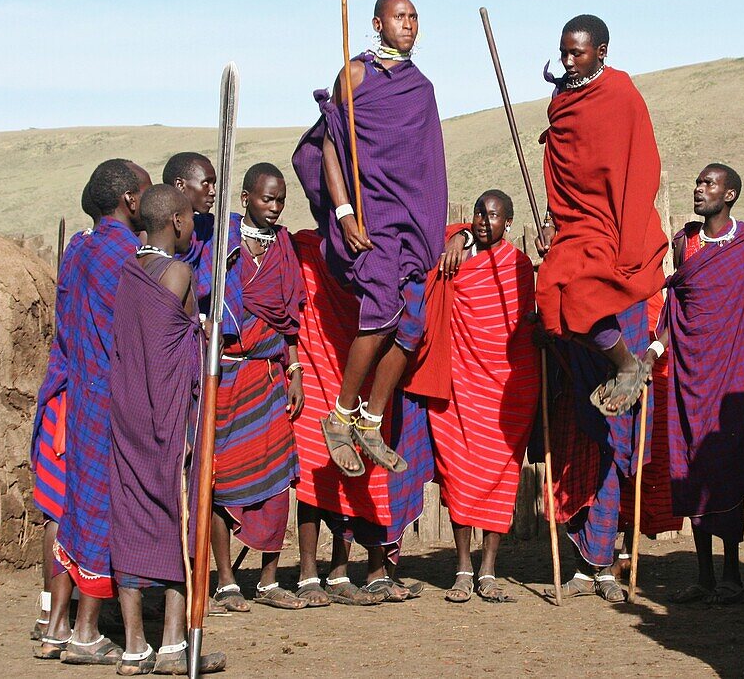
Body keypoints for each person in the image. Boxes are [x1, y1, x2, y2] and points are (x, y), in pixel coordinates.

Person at [535, 14, 667, 602]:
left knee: (583, 299)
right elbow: (567, 176)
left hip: (615, 235)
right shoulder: (564, 102)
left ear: (601, 52)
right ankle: (587, 547)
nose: (569, 61)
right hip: (576, 231)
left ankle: (608, 558)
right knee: (552, 293)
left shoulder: (620, 96)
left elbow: (638, 170)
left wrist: (628, 244)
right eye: (563, 52)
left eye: (578, 53)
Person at [292, 0, 447, 478]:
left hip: (408, 222)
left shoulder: (420, 88)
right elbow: (330, 148)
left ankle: (371, 423)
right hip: (366, 221)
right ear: (377, 23)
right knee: (380, 314)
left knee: (411, 326)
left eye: (414, 17)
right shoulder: (354, 75)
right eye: (400, 17)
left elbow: (425, 165)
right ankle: (338, 418)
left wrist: (431, 226)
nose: (409, 25)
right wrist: (343, 215)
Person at [642, 163, 744, 606]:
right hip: (691, 374)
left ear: (730, 195)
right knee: (692, 465)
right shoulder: (685, 244)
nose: (699, 189)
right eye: (698, 183)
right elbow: (676, 308)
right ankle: (704, 574)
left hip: (732, 377)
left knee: (727, 466)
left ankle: (731, 573)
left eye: (709, 184)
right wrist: (653, 352)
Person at [108, 185, 226, 675]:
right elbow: (184, 342)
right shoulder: (178, 272)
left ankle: (135, 647)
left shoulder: (130, 270)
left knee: (131, 518)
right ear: (178, 221)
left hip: (129, 411)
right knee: (183, 515)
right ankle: (175, 645)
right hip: (170, 415)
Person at [42, 159, 151, 665]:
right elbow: (133, 332)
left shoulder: (80, 248)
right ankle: (86, 632)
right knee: (102, 508)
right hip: (109, 395)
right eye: (146, 192)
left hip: (74, 392)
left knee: (72, 507)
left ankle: (56, 626)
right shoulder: (125, 254)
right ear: (130, 199)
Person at [291, 227, 431, 605]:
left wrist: (463, 235)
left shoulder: (376, 248)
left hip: (359, 367)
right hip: (322, 360)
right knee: (316, 468)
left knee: (358, 476)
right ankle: (308, 573)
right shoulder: (304, 246)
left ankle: (341, 572)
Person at [423, 191, 539, 603]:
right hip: (460, 384)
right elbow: (432, 249)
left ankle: (488, 568)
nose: (483, 220)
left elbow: (526, 326)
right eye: (478, 212)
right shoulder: (458, 256)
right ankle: (461, 567)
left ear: (508, 222)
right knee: (458, 473)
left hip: (507, 387)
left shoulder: (520, 266)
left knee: (500, 476)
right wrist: (458, 236)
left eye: (493, 215)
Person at [208, 162, 307, 612]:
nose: (274, 207)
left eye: (281, 200)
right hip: (225, 377)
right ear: (246, 197)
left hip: (268, 378)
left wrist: (295, 371)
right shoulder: (219, 240)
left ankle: (268, 581)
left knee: (276, 479)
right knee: (220, 478)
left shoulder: (284, 245)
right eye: (267, 199)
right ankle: (226, 580)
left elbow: (290, 320)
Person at [29, 184, 101, 645]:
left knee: (58, 507)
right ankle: (74, 624)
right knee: (84, 506)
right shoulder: (116, 259)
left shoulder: (77, 251)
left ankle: (49, 615)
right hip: (88, 399)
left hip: (64, 391)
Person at [162, 151, 217, 275]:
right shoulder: (157, 230)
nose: (213, 191)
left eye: (214, 184)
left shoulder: (208, 227)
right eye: (206, 183)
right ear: (180, 185)